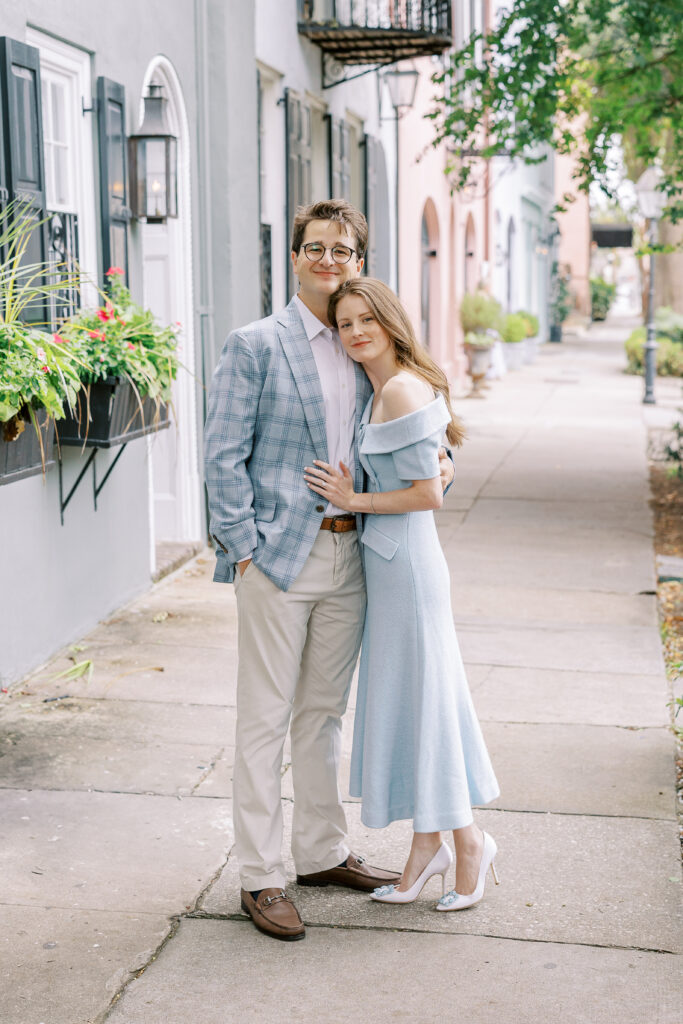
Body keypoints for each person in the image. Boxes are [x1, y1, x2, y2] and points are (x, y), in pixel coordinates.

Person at [204, 200, 455, 942]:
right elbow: (222, 456)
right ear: (293, 256)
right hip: (277, 560)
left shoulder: (363, 340)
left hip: (355, 554)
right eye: (314, 247)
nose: (326, 259)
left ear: (358, 260)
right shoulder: (255, 344)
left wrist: (442, 468)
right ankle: (261, 875)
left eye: (341, 249)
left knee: (322, 717)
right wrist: (242, 547)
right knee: (264, 720)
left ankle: (319, 852)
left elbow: (416, 427)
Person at [303, 277, 500, 911]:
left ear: (389, 320)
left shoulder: (402, 388)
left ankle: (466, 844)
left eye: (366, 319)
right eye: (344, 324)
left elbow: (429, 492)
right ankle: (429, 845)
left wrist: (351, 500)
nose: (355, 332)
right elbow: (437, 461)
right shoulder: (382, 388)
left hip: (408, 568)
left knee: (430, 705)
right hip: (389, 568)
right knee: (421, 706)